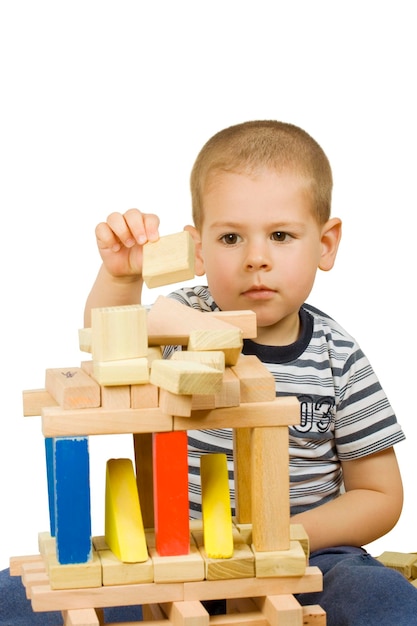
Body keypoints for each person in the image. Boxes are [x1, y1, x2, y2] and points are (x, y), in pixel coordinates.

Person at [1, 120, 414, 625]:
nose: (256, 259)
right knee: (19, 597)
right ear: (197, 248)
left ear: (325, 244)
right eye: (231, 237)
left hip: (304, 553)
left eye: (281, 235)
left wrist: (280, 536)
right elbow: (109, 341)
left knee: (381, 598)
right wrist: (121, 276)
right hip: (171, 556)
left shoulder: (339, 357)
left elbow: (380, 495)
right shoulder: (179, 318)